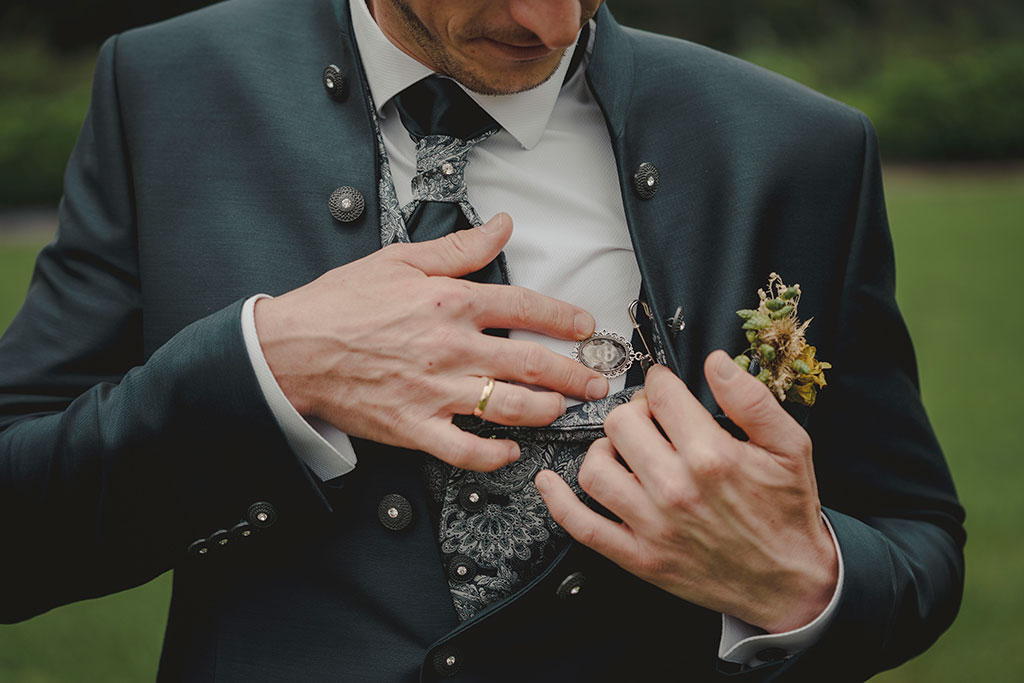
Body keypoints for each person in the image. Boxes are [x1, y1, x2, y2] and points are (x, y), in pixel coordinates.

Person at [0, 0, 964, 681]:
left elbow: (920, 541)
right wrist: (270, 369)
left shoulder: (798, 150)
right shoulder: (165, 92)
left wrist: (806, 581)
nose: (547, 22)